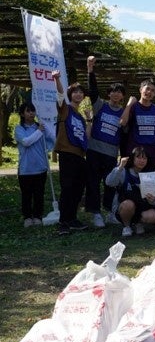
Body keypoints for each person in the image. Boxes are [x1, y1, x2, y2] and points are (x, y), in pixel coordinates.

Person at [84, 56, 126, 227]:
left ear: (122, 96)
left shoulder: (124, 113)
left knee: (110, 184)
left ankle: (109, 212)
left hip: (111, 153)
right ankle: (95, 213)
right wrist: (90, 70)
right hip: (94, 151)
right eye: (113, 91)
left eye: (119, 91)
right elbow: (93, 90)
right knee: (93, 183)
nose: (116, 94)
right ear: (109, 93)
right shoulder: (100, 105)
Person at [52, 70, 88, 235]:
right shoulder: (65, 109)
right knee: (67, 188)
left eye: (81, 92)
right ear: (70, 94)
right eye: (75, 92)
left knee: (78, 188)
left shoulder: (80, 117)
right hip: (67, 153)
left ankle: (72, 218)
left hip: (80, 155)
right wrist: (57, 79)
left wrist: (89, 120)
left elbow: (86, 137)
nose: (79, 94)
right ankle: (63, 222)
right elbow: (60, 94)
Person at [105, 146, 155, 237]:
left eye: (144, 158)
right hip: (123, 208)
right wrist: (120, 167)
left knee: (153, 216)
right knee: (128, 204)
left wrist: (153, 200)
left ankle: (138, 224)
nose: (141, 160)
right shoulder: (124, 171)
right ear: (132, 158)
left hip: (142, 208)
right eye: (138, 157)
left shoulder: (150, 175)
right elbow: (109, 182)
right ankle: (126, 226)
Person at [14, 102, 50, 227]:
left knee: (39, 194)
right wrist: (39, 131)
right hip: (26, 168)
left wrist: (44, 128)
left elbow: (51, 140)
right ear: (22, 114)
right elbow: (26, 142)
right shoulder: (19, 129)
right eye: (28, 111)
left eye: (33, 111)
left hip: (41, 167)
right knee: (26, 194)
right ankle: (27, 217)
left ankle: (38, 216)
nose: (31, 113)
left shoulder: (40, 126)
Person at [119, 78, 155, 171]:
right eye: (147, 89)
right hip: (136, 152)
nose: (149, 92)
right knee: (134, 181)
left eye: (152, 90)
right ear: (140, 90)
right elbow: (122, 122)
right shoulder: (134, 107)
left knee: (152, 182)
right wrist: (129, 104)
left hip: (153, 152)